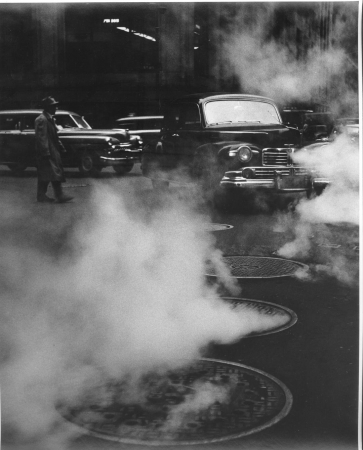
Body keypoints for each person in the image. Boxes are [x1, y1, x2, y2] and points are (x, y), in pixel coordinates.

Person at [34, 96, 73, 203]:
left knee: (50, 173)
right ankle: (57, 195)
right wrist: (45, 152)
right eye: (53, 106)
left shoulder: (49, 119)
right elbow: (42, 138)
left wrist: (61, 147)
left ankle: (46, 195)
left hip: (52, 150)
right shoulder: (42, 119)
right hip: (47, 151)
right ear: (48, 107)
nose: (55, 108)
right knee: (52, 172)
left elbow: (54, 136)